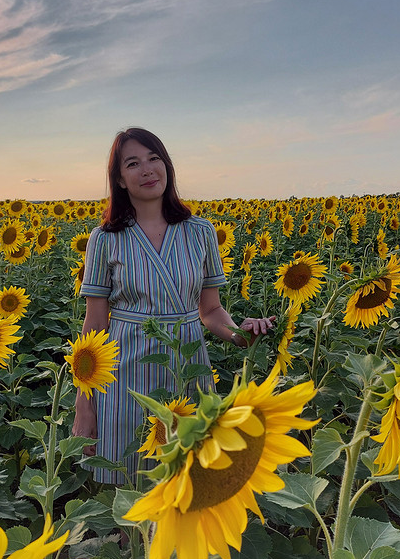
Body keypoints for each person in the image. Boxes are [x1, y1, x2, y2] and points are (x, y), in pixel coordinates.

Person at [72, 128, 275, 484]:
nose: (147, 169)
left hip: (187, 365)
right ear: (119, 179)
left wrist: (240, 335)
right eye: (133, 163)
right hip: (124, 373)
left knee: (188, 479)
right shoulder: (105, 238)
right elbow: (94, 324)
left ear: (167, 166)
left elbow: (210, 311)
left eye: (154, 159)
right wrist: (83, 403)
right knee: (129, 486)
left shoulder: (201, 232)